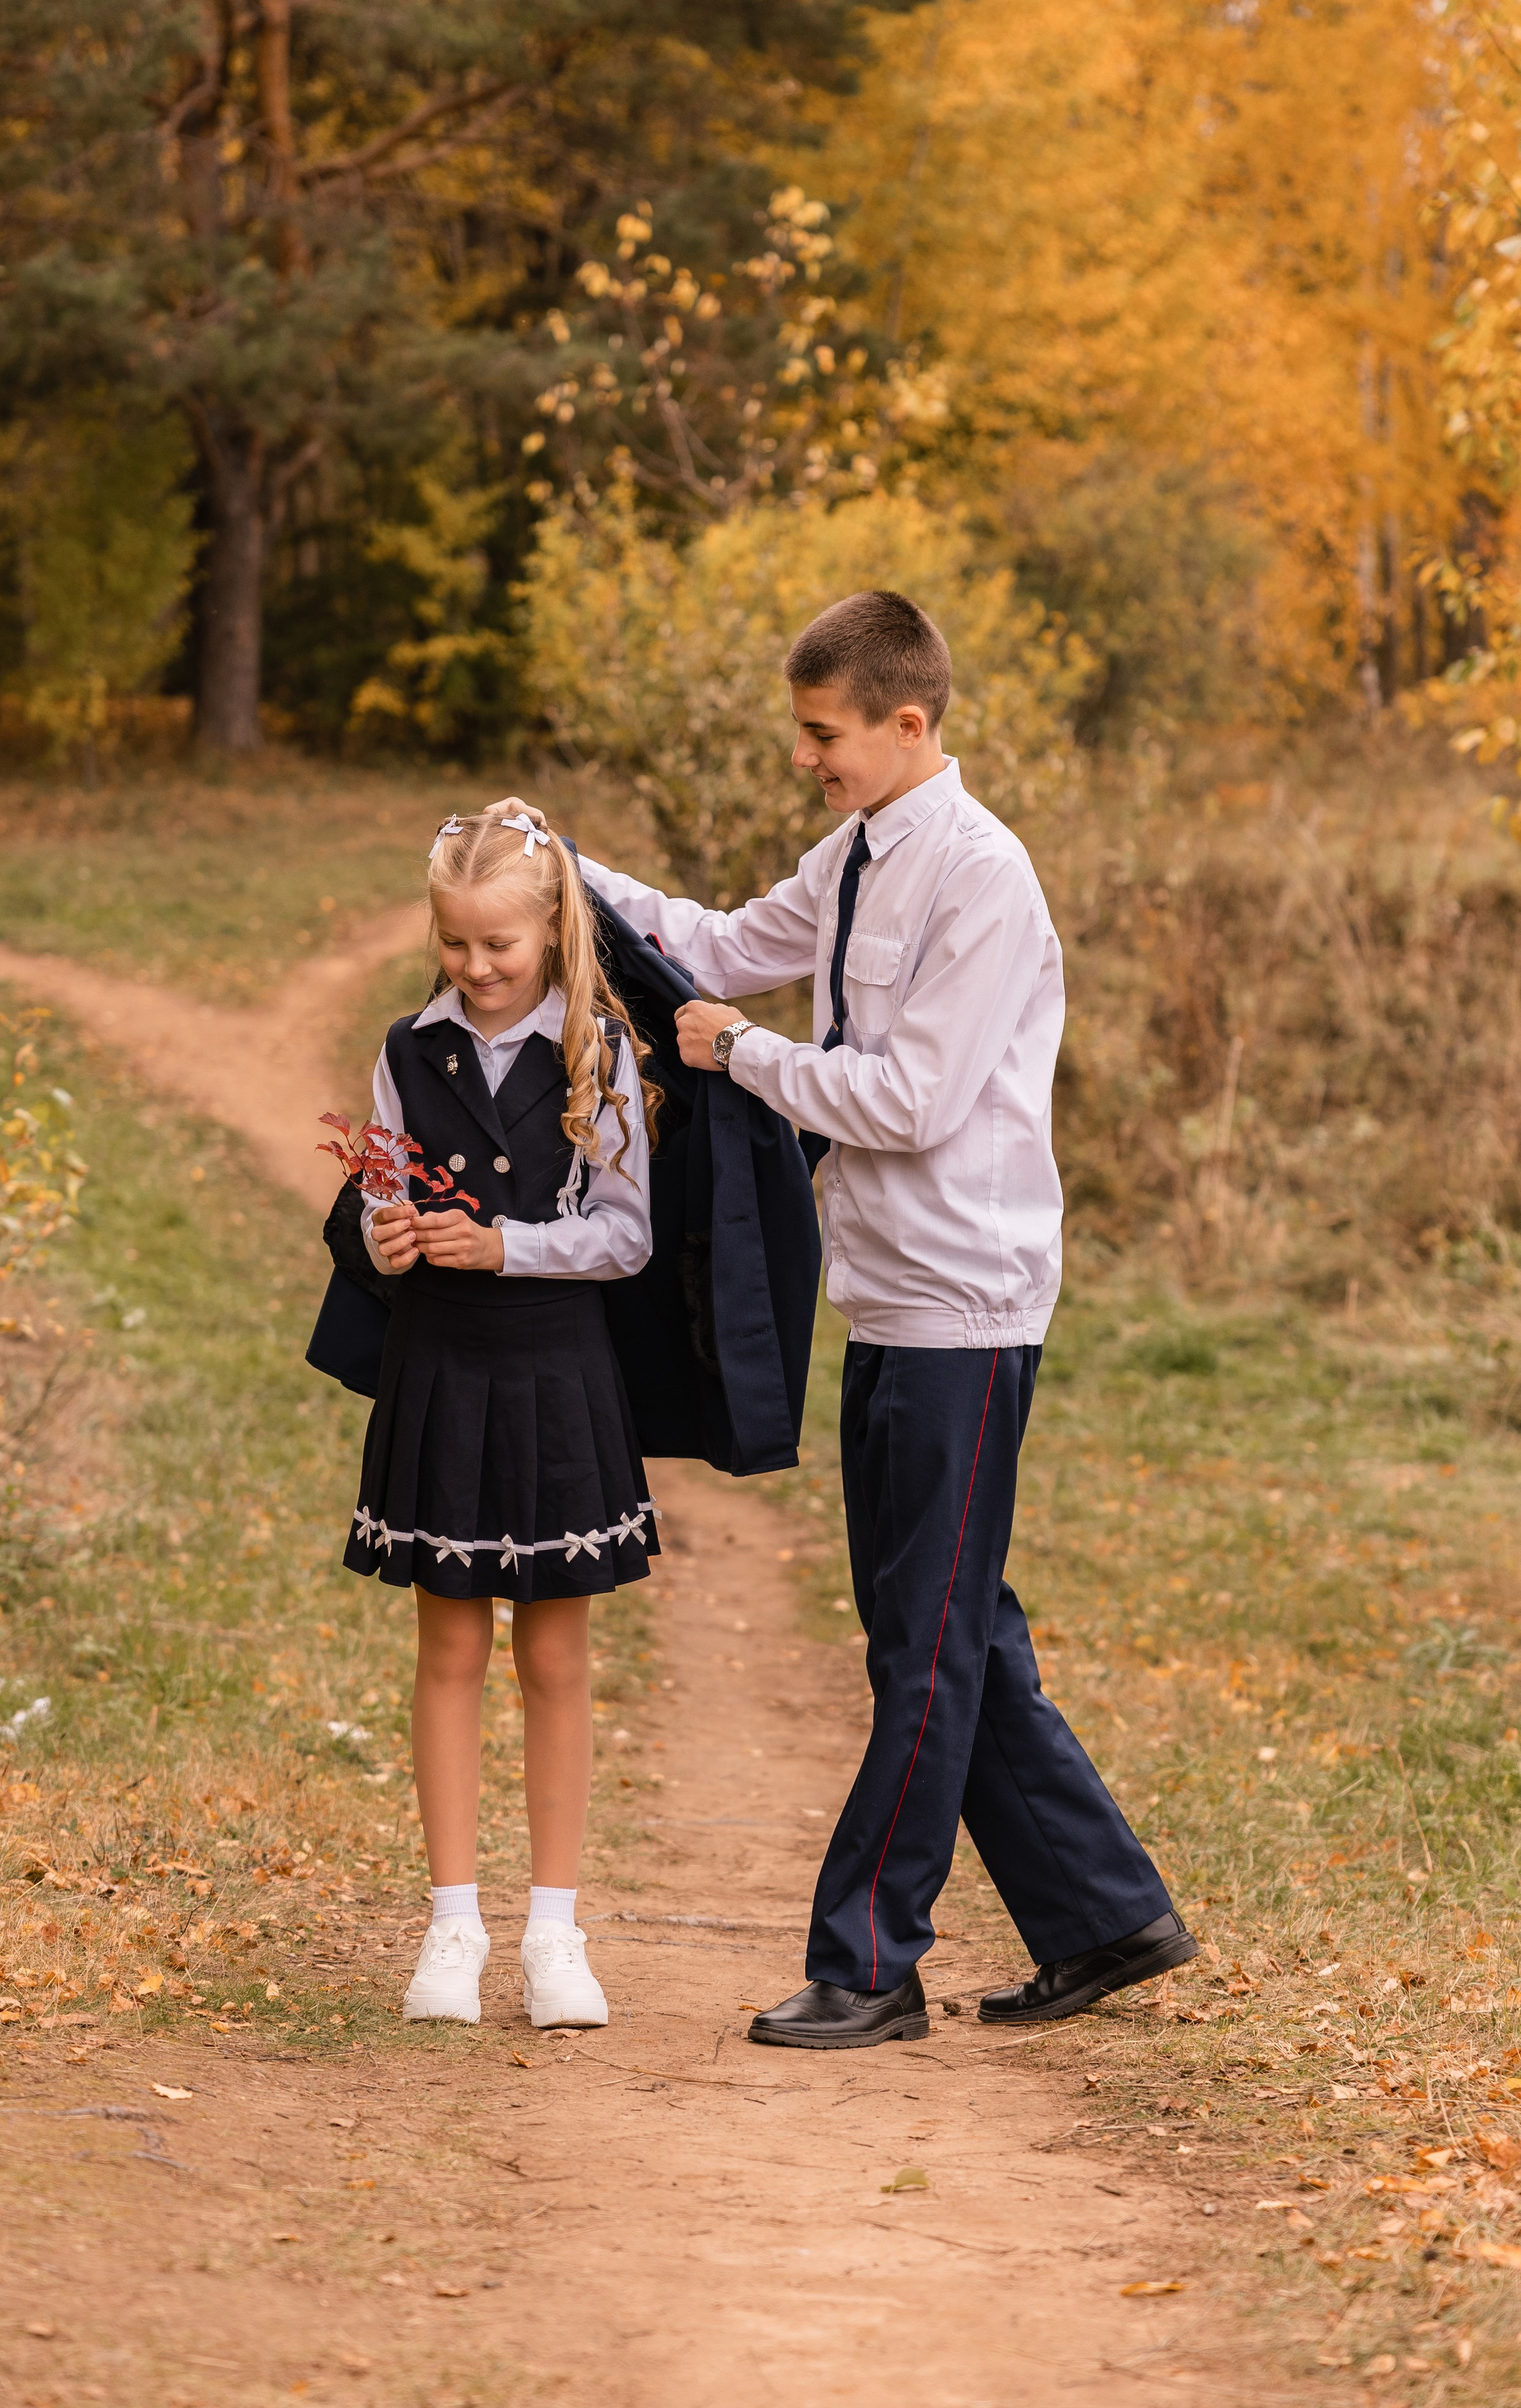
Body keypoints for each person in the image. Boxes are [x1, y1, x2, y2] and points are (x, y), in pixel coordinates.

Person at [490, 588, 1195, 2049]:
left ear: (904, 723)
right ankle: (1102, 1911)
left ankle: (868, 1961)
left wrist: (741, 1055)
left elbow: (912, 1101)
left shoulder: (981, 879)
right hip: (889, 1299)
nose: (807, 757)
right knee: (948, 1625)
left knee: (921, 1648)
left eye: (825, 735)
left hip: (970, 1303)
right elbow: (718, 940)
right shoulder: (860, 853)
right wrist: (563, 866)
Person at [347, 809, 661, 2032]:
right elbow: (377, 1188)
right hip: (442, 1373)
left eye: (500, 946)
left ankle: (554, 1934)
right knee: (450, 1652)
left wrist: (505, 1246)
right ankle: (451, 1925)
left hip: (556, 1375)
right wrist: (384, 1233)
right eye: (454, 943)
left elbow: (627, 1233)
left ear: (551, 928)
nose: (475, 968)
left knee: (557, 1658)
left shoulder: (601, 1053)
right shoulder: (405, 1049)